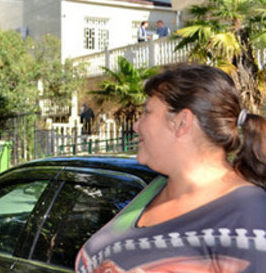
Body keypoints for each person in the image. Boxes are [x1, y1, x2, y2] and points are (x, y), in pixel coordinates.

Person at [76, 64, 266, 273]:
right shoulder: (153, 191)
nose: (136, 125)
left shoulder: (249, 215)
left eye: (147, 112)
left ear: (181, 122)